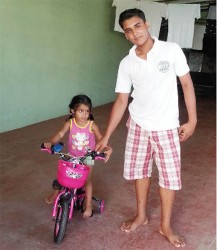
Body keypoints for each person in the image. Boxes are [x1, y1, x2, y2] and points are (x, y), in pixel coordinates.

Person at [95, 9, 197, 248]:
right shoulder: (127, 63)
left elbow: (187, 84)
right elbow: (122, 100)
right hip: (138, 125)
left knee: (169, 179)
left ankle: (165, 225)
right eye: (128, 30)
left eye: (137, 26)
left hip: (167, 127)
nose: (134, 32)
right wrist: (107, 135)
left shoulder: (171, 50)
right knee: (140, 173)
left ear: (147, 24)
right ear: (126, 35)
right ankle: (141, 215)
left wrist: (192, 120)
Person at [44, 94, 112, 218]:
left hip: (88, 157)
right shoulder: (70, 123)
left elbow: (102, 139)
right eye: (81, 111)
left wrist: (107, 148)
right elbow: (60, 134)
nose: (84, 114)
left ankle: (89, 205)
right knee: (63, 175)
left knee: (87, 181)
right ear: (72, 111)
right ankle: (55, 193)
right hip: (72, 155)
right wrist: (51, 143)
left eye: (87, 111)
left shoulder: (92, 125)